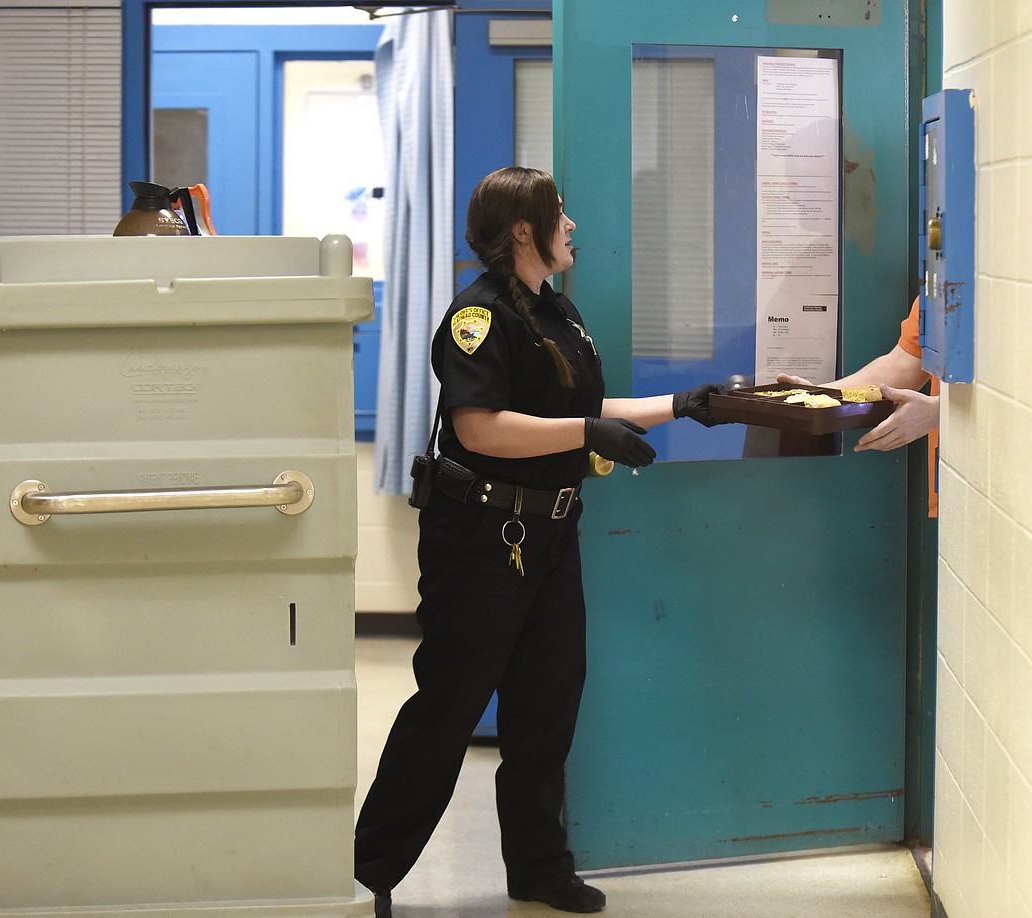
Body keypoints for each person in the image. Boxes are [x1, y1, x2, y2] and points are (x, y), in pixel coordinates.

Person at [354, 166, 724, 918]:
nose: (573, 226)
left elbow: (583, 409)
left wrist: (682, 406)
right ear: (524, 229)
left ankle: (538, 869)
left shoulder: (557, 314)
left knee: (545, 707)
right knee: (448, 709)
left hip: (550, 535)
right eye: (561, 214)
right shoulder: (480, 317)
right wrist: (591, 433)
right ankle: (369, 873)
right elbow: (479, 426)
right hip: (480, 537)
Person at [777, 297, 939, 515]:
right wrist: (823, 395)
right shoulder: (941, 281)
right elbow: (904, 364)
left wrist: (938, 412)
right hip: (957, 478)